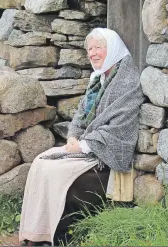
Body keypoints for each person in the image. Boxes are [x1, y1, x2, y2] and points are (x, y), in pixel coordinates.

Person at [19, 28, 144, 246]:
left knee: (57, 173)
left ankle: (57, 236)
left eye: (98, 48)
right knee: (40, 162)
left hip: (107, 157)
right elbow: (81, 114)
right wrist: (73, 136)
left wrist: (84, 145)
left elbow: (120, 129)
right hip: (87, 146)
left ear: (112, 49)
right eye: (89, 49)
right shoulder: (98, 78)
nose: (92, 53)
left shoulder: (127, 82)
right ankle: (37, 233)